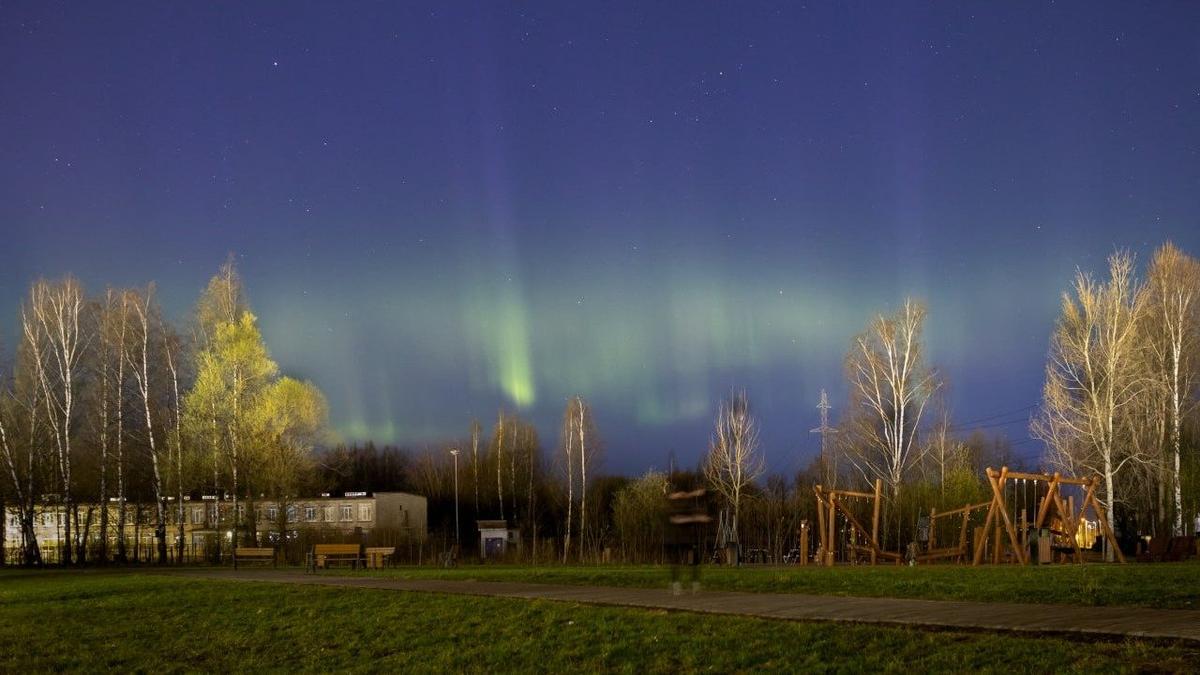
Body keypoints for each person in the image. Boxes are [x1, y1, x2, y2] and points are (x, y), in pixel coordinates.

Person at [666, 483, 711, 595]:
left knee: (694, 560)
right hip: (676, 538)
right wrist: (694, 518)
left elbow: (698, 494)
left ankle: (694, 584)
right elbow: (675, 520)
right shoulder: (673, 508)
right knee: (676, 561)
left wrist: (700, 518)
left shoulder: (688, 505)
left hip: (688, 537)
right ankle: (676, 584)